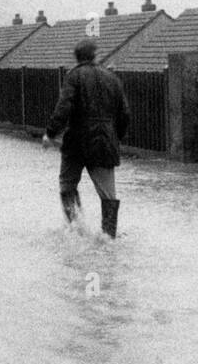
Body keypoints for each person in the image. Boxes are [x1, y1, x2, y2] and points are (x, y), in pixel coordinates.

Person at [42, 39, 131, 237]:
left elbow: (63, 108)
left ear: (77, 57)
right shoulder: (112, 78)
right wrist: (117, 137)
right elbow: (124, 114)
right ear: (95, 56)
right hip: (105, 142)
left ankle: (76, 229)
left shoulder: (73, 76)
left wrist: (50, 133)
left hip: (76, 141)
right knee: (108, 193)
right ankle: (108, 237)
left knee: (67, 183)